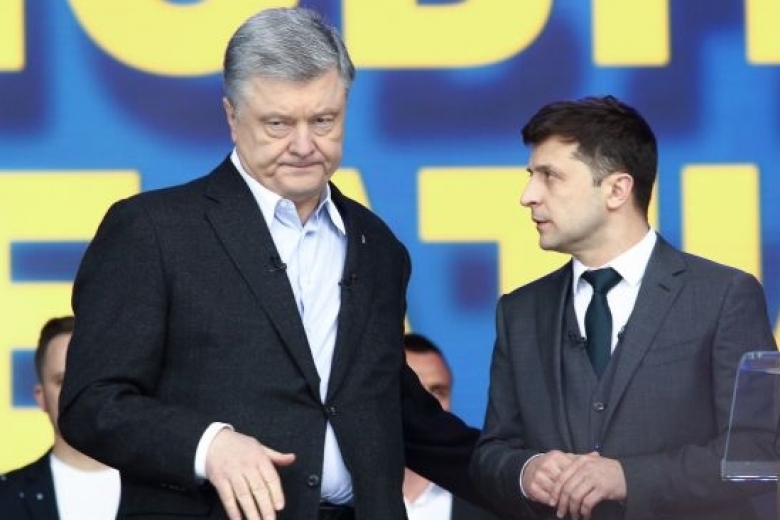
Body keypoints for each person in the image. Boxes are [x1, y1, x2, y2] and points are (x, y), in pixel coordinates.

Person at [58, 7, 482, 520]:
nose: (304, 146)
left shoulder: (377, 245)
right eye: (278, 123)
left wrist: (523, 475)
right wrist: (208, 446)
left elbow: (393, 409)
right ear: (232, 117)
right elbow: (91, 403)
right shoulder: (152, 230)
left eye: (323, 121)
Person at [469, 95, 778, 520]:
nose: (528, 196)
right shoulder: (519, 311)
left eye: (549, 176)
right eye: (531, 176)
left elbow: (757, 450)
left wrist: (629, 478)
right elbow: (490, 454)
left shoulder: (723, 296)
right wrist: (525, 471)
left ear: (616, 189)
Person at [0, 316, 120, 520]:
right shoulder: (5, 498)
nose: (77, 392)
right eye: (63, 381)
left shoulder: (166, 496)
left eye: (90, 378)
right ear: (41, 397)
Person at [403, 333, 499, 520]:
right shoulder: (349, 493)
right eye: (413, 393)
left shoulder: (489, 499)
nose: (427, 404)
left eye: (438, 392)